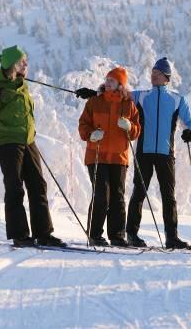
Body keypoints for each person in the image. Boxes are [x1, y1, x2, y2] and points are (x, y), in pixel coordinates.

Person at [0, 45, 66, 248]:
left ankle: (43, 233)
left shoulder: (23, 85)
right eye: (21, 61)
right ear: (10, 65)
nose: (26, 63)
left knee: (38, 185)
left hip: (27, 141)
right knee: (15, 187)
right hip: (7, 142)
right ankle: (20, 235)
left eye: (25, 60)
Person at [126, 57, 191, 249]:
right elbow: (117, 95)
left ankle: (171, 237)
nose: (153, 76)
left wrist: (190, 131)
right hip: (144, 152)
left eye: (157, 74)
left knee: (168, 196)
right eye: (152, 73)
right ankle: (131, 234)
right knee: (139, 193)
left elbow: (190, 121)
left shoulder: (177, 99)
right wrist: (98, 92)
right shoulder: (141, 96)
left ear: (166, 78)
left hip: (166, 153)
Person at [78, 67, 141, 247]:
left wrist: (129, 127)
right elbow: (83, 125)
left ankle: (117, 235)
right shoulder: (94, 102)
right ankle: (94, 234)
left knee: (117, 196)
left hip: (119, 158)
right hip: (96, 156)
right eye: (107, 79)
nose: (108, 83)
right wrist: (90, 135)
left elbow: (136, 131)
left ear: (120, 84)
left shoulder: (128, 105)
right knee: (101, 195)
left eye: (112, 81)